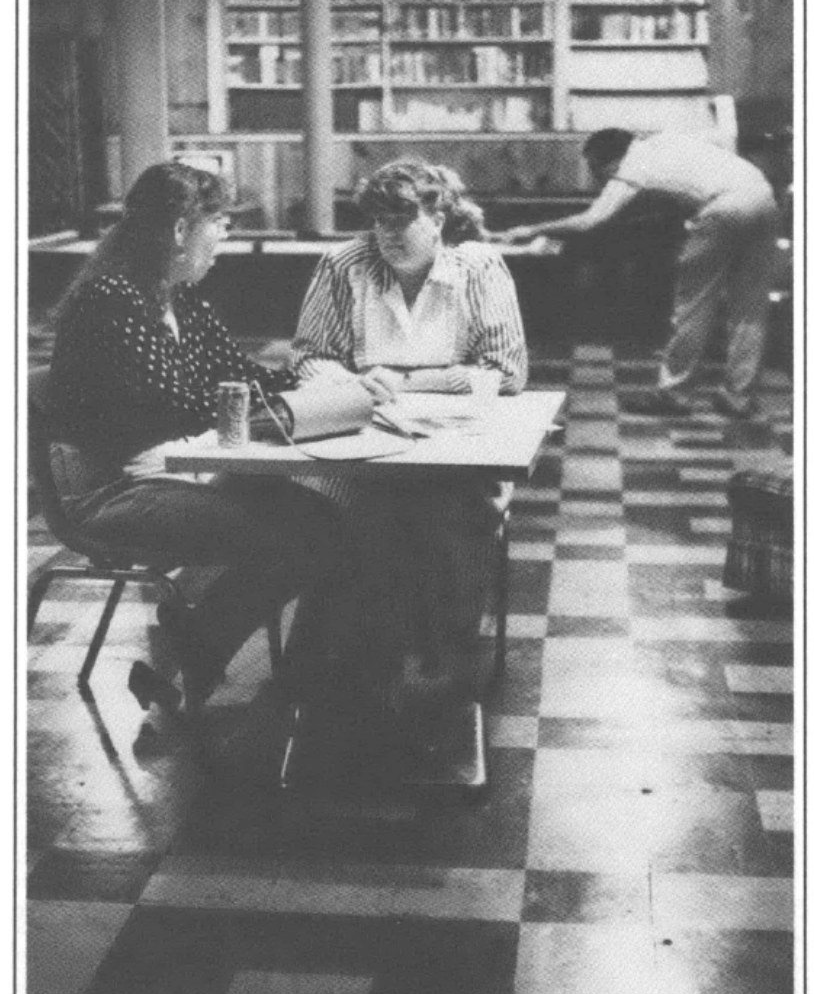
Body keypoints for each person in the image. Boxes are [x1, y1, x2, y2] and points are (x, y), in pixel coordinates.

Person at [47, 161, 341, 709]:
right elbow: (177, 404)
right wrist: (276, 404)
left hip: (176, 469)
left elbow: (238, 374)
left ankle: (199, 652)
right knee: (293, 537)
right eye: (220, 221)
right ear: (180, 230)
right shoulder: (112, 299)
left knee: (323, 521)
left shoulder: (178, 298)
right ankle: (263, 672)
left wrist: (326, 382)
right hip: (115, 488)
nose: (226, 235)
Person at [291, 158, 528, 726]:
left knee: (446, 515)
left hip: (454, 454)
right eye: (377, 222)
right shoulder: (343, 264)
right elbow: (308, 357)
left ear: (440, 215)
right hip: (364, 451)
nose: (387, 236)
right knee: (360, 518)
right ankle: (359, 673)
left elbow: (507, 368)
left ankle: (438, 667)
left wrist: (405, 380)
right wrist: (353, 385)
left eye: (401, 221)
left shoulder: (478, 267)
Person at [503, 128, 780, 417]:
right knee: (749, 308)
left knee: (693, 309)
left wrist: (531, 229)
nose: (601, 180)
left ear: (609, 162)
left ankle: (674, 395)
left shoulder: (631, 167)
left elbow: (590, 221)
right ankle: (739, 398)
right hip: (762, 195)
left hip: (722, 208)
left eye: (598, 172)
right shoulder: (665, 140)